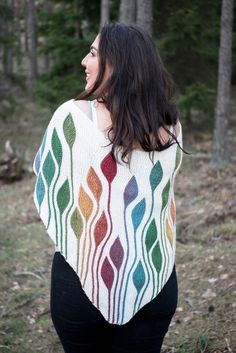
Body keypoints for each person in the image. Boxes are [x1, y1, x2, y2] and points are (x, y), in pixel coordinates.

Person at [33, 22, 186, 353]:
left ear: (117, 64)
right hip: (154, 278)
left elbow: (46, 179)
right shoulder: (171, 126)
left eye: (92, 53)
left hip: (81, 281)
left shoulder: (71, 117)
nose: (84, 62)